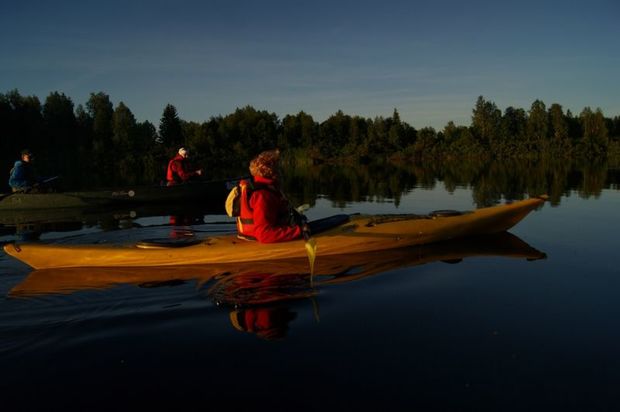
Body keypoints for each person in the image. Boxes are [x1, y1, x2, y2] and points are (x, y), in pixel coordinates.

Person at [235, 149, 309, 243]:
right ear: (271, 170)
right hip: (259, 239)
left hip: (250, 235)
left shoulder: (264, 188)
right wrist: (299, 231)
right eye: (277, 167)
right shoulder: (262, 196)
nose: (280, 171)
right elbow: (264, 235)